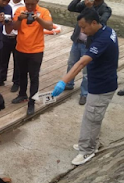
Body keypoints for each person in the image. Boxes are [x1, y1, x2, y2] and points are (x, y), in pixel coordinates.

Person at [51, 8, 118, 165]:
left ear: (94, 23)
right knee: (93, 116)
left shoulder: (103, 40)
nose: (82, 30)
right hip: (100, 81)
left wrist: (63, 81)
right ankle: (91, 142)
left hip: (102, 86)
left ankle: (87, 150)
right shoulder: (106, 30)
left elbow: (81, 62)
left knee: (92, 118)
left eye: (83, 27)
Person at [64, 0, 112, 105]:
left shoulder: (106, 9)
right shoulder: (84, 5)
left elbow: (101, 22)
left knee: (86, 71)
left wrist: (91, 9)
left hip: (90, 44)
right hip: (77, 41)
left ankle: (84, 93)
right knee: (72, 63)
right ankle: (69, 83)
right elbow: (71, 7)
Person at [11, 0, 53, 116]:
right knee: (22, 74)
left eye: (32, 4)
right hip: (20, 49)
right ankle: (22, 94)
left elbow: (49, 27)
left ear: (37, 1)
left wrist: (37, 19)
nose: (29, 7)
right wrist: (20, 19)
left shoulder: (43, 11)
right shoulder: (20, 10)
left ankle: (32, 102)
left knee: (34, 77)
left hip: (36, 50)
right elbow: (14, 28)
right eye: (27, 4)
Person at [0, 0, 25, 92]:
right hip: (4, 35)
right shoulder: (6, 3)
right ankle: (1, 79)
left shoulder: (25, 5)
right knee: (2, 60)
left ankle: (16, 82)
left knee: (18, 61)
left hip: (18, 36)